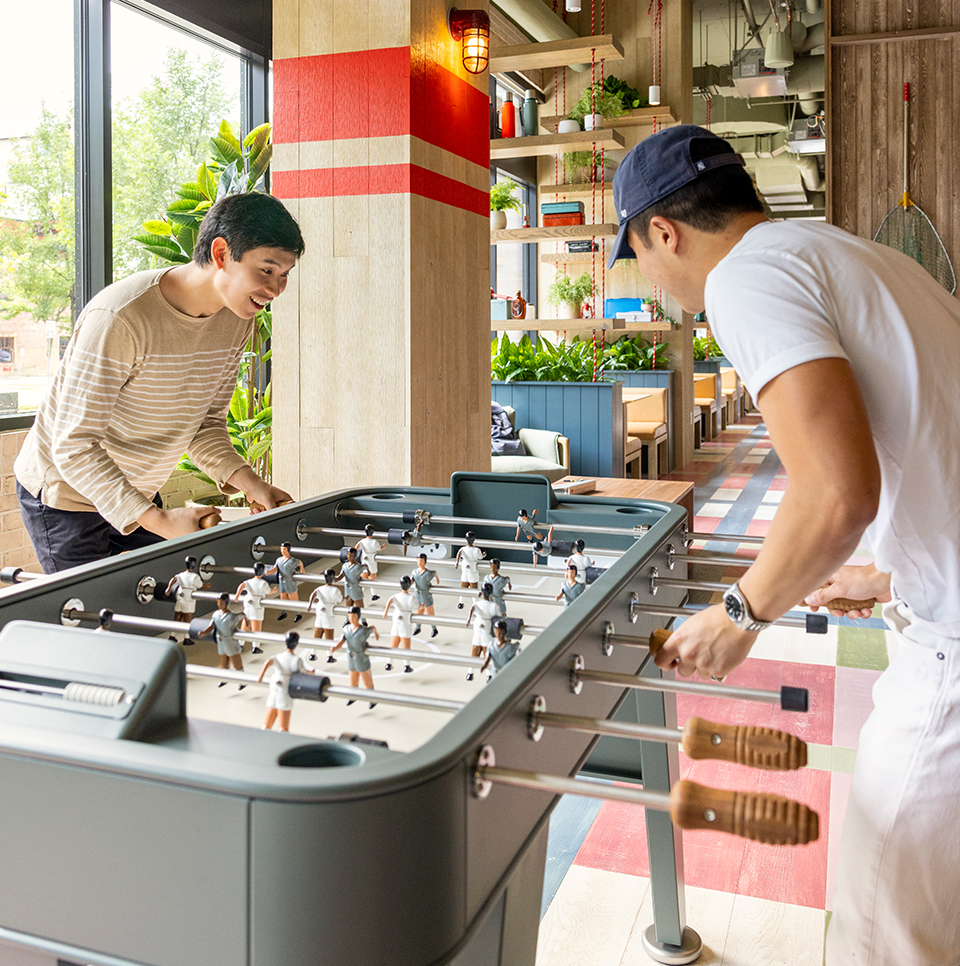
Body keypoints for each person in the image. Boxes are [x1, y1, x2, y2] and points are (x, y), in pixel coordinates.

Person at [606, 124, 960, 966]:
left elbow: (838, 492)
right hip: (940, 599)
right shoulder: (851, 253)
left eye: (636, 258)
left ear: (664, 230)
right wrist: (883, 577)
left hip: (954, 651)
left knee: (886, 928)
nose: (649, 282)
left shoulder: (745, 279)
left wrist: (739, 613)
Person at [14, 192, 305, 573]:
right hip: (67, 497)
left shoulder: (237, 319)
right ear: (221, 254)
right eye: (267, 270)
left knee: (165, 602)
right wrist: (159, 521)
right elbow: (74, 445)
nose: (277, 288)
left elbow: (205, 422)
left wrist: (250, 482)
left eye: (284, 275)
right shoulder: (120, 317)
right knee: (92, 624)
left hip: (134, 491)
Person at [257, 632, 314, 732]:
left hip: (275, 684)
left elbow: (269, 661)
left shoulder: (279, 656)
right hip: (286, 686)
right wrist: (311, 673)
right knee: (283, 724)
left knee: (269, 715)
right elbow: (303, 672)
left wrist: (261, 675)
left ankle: (264, 733)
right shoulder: (296, 660)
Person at [330, 607, 379, 708]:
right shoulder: (346, 629)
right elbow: (342, 640)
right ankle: (353, 696)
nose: (351, 618)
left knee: (366, 680)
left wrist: (376, 633)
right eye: (350, 616)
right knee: (353, 679)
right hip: (351, 657)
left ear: (358, 617)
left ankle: (372, 698)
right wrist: (335, 647)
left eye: (354, 616)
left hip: (361, 657)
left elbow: (372, 628)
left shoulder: (363, 631)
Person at [201, 593, 247, 689]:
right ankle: (224, 678)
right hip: (220, 640)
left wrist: (247, 623)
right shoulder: (216, 614)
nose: (219, 605)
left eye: (221, 603)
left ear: (226, 603)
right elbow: (211, 626)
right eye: (218, 603)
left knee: (236, 662)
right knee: (223, 662)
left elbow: (242, 615)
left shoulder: (232, 616)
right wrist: (203, 633)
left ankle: (243, 680)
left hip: (230, 640)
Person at [234, 560, 274, 650]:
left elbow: (242, 585)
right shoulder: (263, 583)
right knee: (256, 627)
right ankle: (255, 647)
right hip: (257, 605)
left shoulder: (249, 581)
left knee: (245, 625)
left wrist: (237, 595)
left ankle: (240, 644)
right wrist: (274, 591)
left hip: (248, 603)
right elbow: (268, 591)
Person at [382, 575, 417, 672]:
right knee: (406, 645)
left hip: (396, 620)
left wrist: (385, 611)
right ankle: (407, 665)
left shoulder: (396, 596)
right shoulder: (411, 598)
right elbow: (416, 607)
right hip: (405, 621)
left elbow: (390, 601)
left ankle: (389, 663)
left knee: (394, 643)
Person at [465, 584, 500, 682]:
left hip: (485, 631)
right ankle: (473, 673)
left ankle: (484, 674)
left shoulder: (490, 606)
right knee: (481, 652)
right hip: (482, 631)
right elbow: (499, 620)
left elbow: (472, 610)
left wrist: (468, 619)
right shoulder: (493, 606)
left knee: (483, 653)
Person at [307, 569, 343, 661]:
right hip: (329, 613)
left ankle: (312, 654)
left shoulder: (320, 588)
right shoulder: (335, 590)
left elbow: (313, 594)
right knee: (329, 636)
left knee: (317, 634)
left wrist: (310, 604)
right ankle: (329, 656)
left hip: (320, 611)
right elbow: (340, 600)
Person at [265, 542, 304, 622]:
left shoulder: (292, 561)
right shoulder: (279, 560)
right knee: (283, 598)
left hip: (290, 582)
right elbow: (275, 568)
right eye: (282, 550)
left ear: (288, 550)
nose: (283, 551)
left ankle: (298, 614)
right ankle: (283, 612)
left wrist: (302, 569)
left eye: (284, 550)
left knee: (293, 599)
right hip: (282, 581)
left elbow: (299, 562)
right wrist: (269, 572)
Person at [165, 555, 205, 625]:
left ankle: (173, 634)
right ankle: (187, 635)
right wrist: (207, 585)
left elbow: (173, 579)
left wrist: (168, 589)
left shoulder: (181, 574)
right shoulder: (195, 576)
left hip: (180, 596)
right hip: (188, 598)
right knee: (188, 617)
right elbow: (200, 585)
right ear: (194, 564)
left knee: (178, 615)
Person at [410, 553, 439, 637]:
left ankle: (434, 629)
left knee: (429, 612)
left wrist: (437, 578)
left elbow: (435, 573)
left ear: (425, 562)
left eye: (421, 561)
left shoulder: (428, 573)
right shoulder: (414, 572)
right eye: (418, 561)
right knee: (418, 612)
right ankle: (418, 627)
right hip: (418, 595)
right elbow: (412, 579)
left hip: (426, 595)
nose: (419, 562)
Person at [455, 531, 485, 608]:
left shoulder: (463, 549)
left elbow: (458, 553)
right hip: (473, 571)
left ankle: (460, 603)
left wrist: (457, 562)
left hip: (465, 570)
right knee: (474, 588)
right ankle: (475, 604)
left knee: (463, 588)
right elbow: (480, 557)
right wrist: (484, 555)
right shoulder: (476, 550)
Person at [355, 524, 385, 600]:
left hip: (364, 560)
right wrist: (383, 546)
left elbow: (356, 547)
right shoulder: (374, 542)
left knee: (363, 578)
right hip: (372, 560)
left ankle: (359, 593)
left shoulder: (362, 541)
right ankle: (373, 594)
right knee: (372, 578)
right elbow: (379, 549)